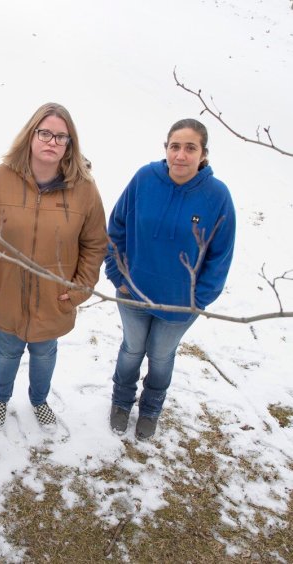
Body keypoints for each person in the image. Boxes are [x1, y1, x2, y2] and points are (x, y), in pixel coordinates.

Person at [0, 103, 107, 429]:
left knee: (44, 354)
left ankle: (39, 399)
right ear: (31, 135)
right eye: (45, 133)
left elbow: (95, 243)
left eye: (61, 137)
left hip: (53, 298)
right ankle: (0, 398)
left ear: (70, 144)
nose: (52, 142)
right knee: (6, 352)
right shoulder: (1, 178)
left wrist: (78, 288)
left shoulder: (84, 189)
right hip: (6, 293)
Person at [105, 118, 236, 440]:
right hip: (132, 292)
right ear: (166, 148)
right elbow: (116, 227)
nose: (181, 155)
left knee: (161, 356)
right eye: (175, 146)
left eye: (190, 148)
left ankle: (151, 408)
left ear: (203, 154)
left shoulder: (217, 196)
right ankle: (121, 402)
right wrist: (116, 273)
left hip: (179, 304)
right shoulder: (145, 178)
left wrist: (197, 299)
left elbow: (221, 255)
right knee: (132, 350)